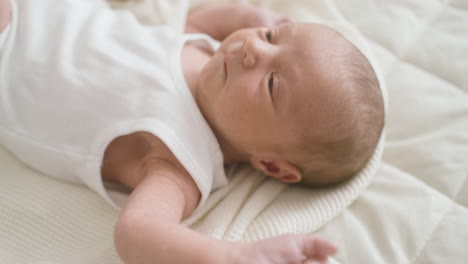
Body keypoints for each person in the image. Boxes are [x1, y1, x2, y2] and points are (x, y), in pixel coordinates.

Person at [0, 0, 384, 263]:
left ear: (272, 165)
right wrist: (242, 13)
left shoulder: (180, 161)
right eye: (271, 39)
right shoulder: (209, 55)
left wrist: (236, 257)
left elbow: (137, 232)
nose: (252, 47)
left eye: (271, 84)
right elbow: (191, 23)